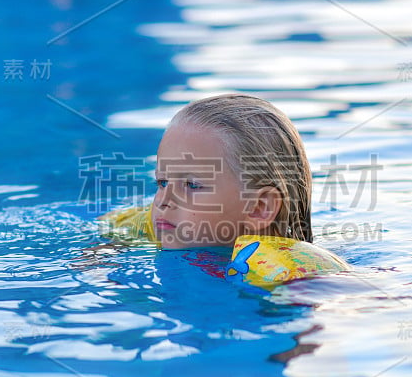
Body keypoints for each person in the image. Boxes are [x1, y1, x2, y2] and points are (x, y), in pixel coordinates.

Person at [99, 94, 350, 289]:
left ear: (259, 208)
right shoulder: (162, 224)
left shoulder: (292, 273)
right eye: (162, 182)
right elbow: (110, 228)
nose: (164, 202)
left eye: (192, 185)